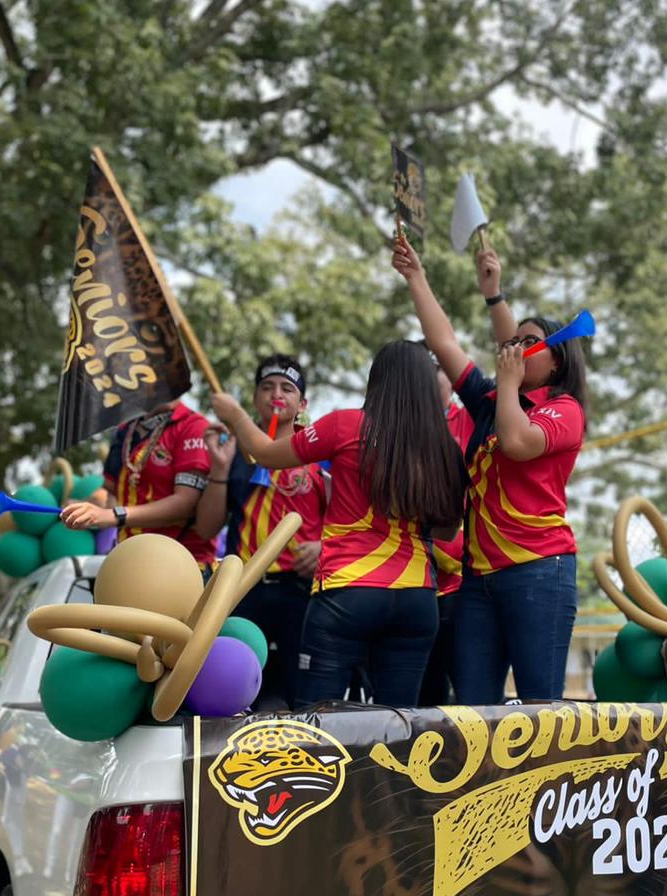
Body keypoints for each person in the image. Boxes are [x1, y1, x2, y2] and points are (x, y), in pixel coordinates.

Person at [210, 340, 465, 708]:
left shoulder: (347, 425)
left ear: (377, 381)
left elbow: (266, 454)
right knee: (399, 721)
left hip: (348, 591)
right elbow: (447, 531)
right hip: (417, 597)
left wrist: (236, 416)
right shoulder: (445, 447)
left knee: (317, 721)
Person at [393, 235, 587, 705]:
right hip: (478, 580)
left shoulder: (564, 409)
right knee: (473, 711)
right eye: (513, 341)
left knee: (541, 709)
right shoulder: (489, 401)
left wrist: (508, 379)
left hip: (538, 570)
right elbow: (443, 343)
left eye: (529, 342)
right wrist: (415, 275)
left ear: (557, 361)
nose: (515, 348)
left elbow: (517, 443)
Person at [192, 355, 328, 708]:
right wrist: (219, 468)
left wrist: (323, 547)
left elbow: (348, 519)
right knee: (237, 692)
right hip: (242, 591)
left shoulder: (320, 452)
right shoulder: (232, 448)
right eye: (267, 387)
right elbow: (206, 528)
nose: (276, 395)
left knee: (301, 698)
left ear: (303, 404)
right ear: (254, 399)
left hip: (300, 592)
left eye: (287, 388)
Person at [60, 398, 219, 567]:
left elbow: (186, 503)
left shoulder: (193, 426)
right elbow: (110, 492)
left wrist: (114, 515)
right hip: (130, 559)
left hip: (180, 565)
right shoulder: (124, 431)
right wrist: (84, 508)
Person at [418, 351, 474, 707]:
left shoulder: (471, 418)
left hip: (463, 585)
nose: (428, 378)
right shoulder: (396, 426)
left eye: (436, 368)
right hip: (409, 584)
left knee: (472, 695)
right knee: (422, 696)